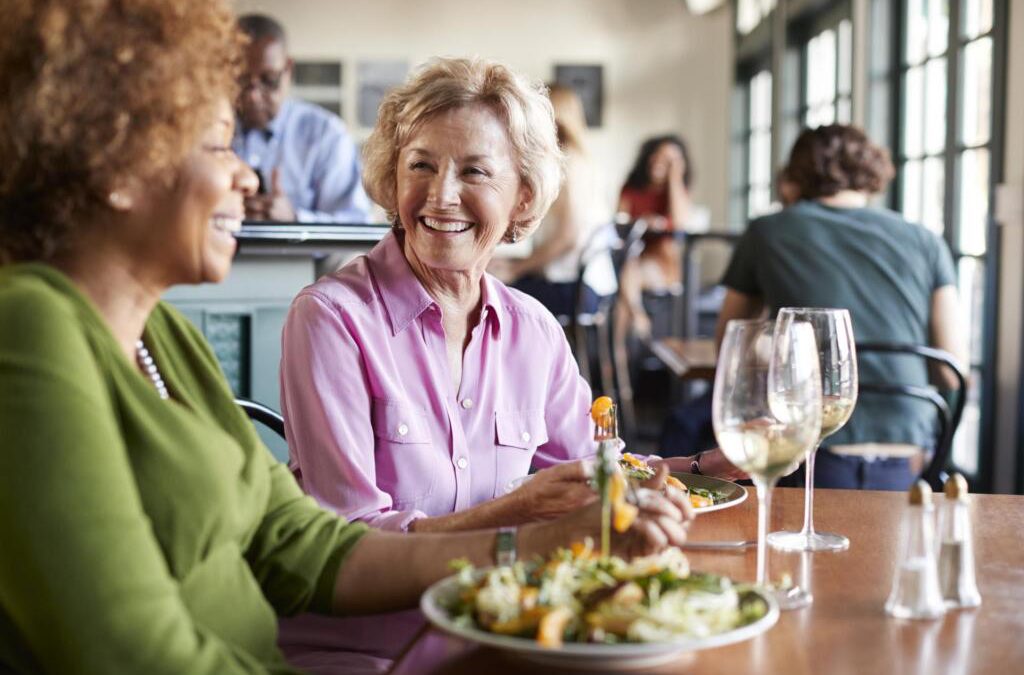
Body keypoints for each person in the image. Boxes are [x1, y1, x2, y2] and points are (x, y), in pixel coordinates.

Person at [0, 4, 692, 673]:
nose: (246, 173)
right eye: (217, 143)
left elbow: (299, 542)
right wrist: (526, 531)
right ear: (119, 168)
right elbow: (132, 655)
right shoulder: (30, 329)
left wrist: (547, 537)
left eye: (474, 170)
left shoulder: (161, 334)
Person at [277, 58, 729, 671]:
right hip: (369, 654)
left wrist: (706, 466)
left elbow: (589, 473)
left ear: (522, 194)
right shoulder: (332, 319)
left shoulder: (533, 329)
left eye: (474, 171)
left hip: (503, 639)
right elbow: (346, 547)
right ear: (392, 173)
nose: (440, 196)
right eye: (421, 165)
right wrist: (519, 513)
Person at [717, 124, 968, 490]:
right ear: (871, 171)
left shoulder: (767, 232)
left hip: (807, 446)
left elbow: (729, 343)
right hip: (908, 449)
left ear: (797, 174)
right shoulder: (926, 240)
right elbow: (952, 368)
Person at [488, 84, 616, 316]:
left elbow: (568, 236)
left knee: (489, 292)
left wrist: (517, 268)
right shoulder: (579, 160)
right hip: (581, 283)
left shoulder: (570, 163)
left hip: (577, 289)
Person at [233, 13, 370, 223]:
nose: (253, 94)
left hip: (306, 257)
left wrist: (295, 219)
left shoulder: (327, 134)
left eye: (269, 80)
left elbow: (355, 222)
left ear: (288, 69)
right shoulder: (201, 131)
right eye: (241, 80)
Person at [616, 135, 709, 340]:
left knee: (626, 287)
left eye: (670, 161)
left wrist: (675, 179)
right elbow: (620, 223)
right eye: (658, 155)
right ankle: (635, 322)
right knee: (625, 284)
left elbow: (680, 223)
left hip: (663, 265)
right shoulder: (631, 188)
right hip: (632, 260)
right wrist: (643, 222)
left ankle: (620, 358)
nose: (660, 162)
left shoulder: (677, 192)